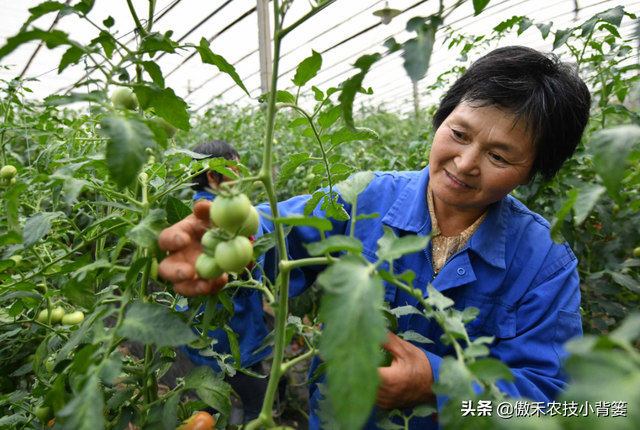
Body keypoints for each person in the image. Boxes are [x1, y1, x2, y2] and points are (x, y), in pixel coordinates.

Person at [158, 46, 591, 429]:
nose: (464, 163)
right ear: (441, 120)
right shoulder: (364, 196)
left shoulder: (545, 263)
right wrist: (231, 239)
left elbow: (550, 405)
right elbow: (281, 230)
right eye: (459, 134)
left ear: (534, 172)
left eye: (498, 156)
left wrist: (438, 386)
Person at [178, 140, 270, 423]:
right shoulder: (226, 216)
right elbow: (244, 269)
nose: (242, 174)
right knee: (257, 398)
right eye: (236, 167)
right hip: (235, 333)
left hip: (203, 331)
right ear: (213, 175)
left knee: (215, 394)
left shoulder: (190, 212)